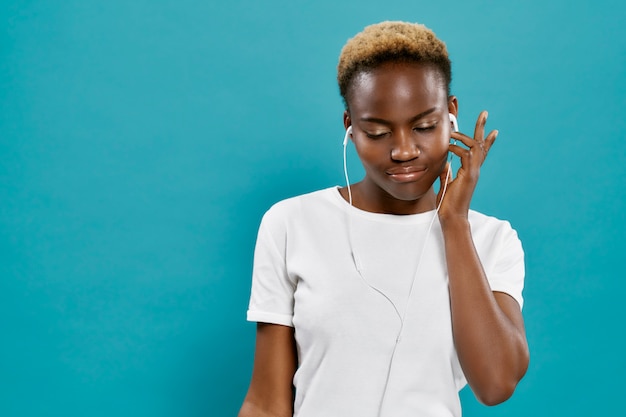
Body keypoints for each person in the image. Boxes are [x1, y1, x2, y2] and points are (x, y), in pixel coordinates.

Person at [238, 21, 529, 417]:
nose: (404, 151)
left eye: (425, 126)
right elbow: (266, 403)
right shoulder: (291, 223)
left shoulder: (493, 239)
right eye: (377, 132)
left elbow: (496, 384)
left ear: (451, 115)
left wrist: (455, 224)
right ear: (350, 129)